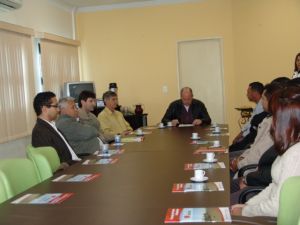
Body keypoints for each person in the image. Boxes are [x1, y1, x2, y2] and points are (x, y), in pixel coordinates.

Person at [231, 86, 300, 217]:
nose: (273, 122)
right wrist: (248, 205)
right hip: (267, 204)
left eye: (276, 117)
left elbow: (277, 206)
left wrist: (245, 211)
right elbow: (274, 186)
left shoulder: (295, 154)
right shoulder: (291, 146)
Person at [31, 92, 81, 165]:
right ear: (44, 109)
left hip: (75, 163)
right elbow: (53, 163)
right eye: (56, 106)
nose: (58, 110)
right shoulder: (40, 132)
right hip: (69, 169)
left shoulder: (51, 125)